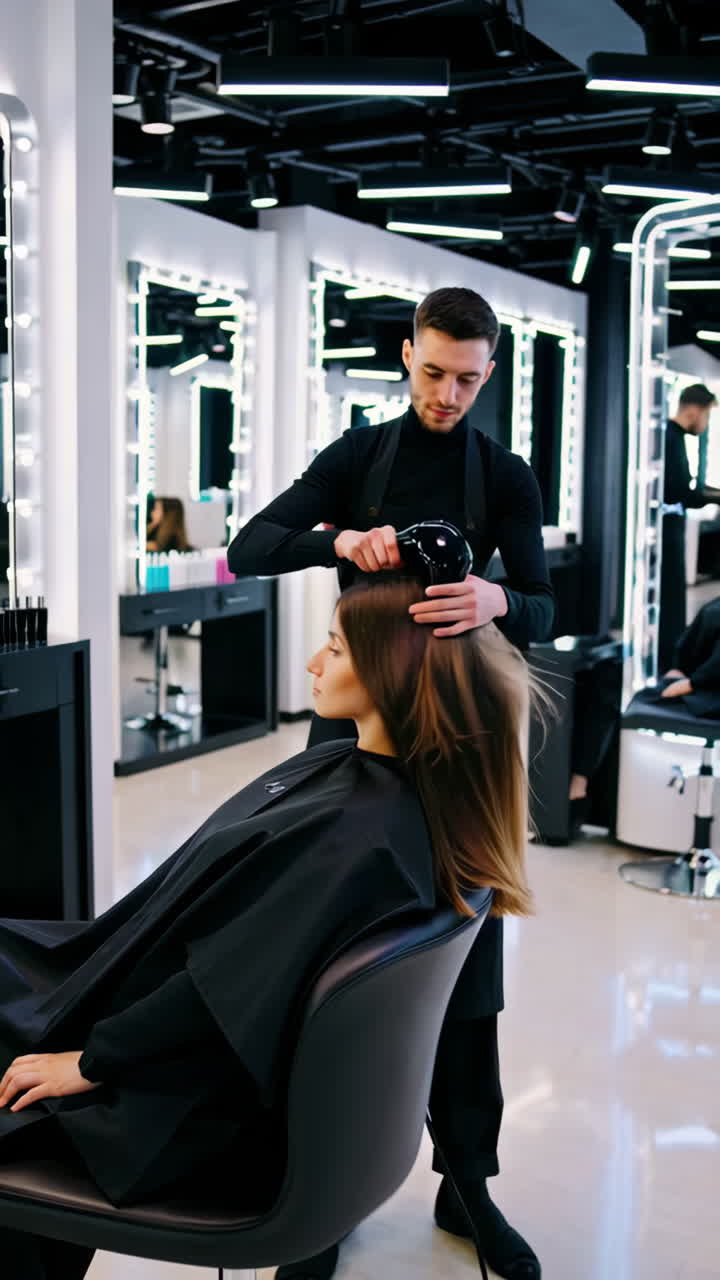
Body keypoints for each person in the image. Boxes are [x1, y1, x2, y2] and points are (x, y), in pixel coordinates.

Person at [0, 570, 539, 1279]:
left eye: (335, 649)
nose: (314, 664)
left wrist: (91, 1061)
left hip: (178, 1092)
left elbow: (220, 991)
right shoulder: (385, 795)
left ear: (395, 677)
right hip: (168, 1033)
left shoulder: (362, 838)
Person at [228, 287, 554, 1280]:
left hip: (458, 744)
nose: (448, 392)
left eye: (467, 377)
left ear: (489, 371)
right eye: (432, 371)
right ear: (406, 356)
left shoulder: (502, 474)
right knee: (330, 967)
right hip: (362, 730)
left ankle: (468, 1182)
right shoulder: (358, 459)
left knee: (466, 972)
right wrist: (338, 538)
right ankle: (318, 1198)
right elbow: (249, 546)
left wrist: (499, 595)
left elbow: (541, 604)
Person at [659, 384, 720, 673]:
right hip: (666, 532)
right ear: (694, 410)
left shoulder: (675, 437)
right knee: (670, 597)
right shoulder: (670, 438)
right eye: (707, 416)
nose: (706, 424)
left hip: (672, 528)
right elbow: (681, 492)